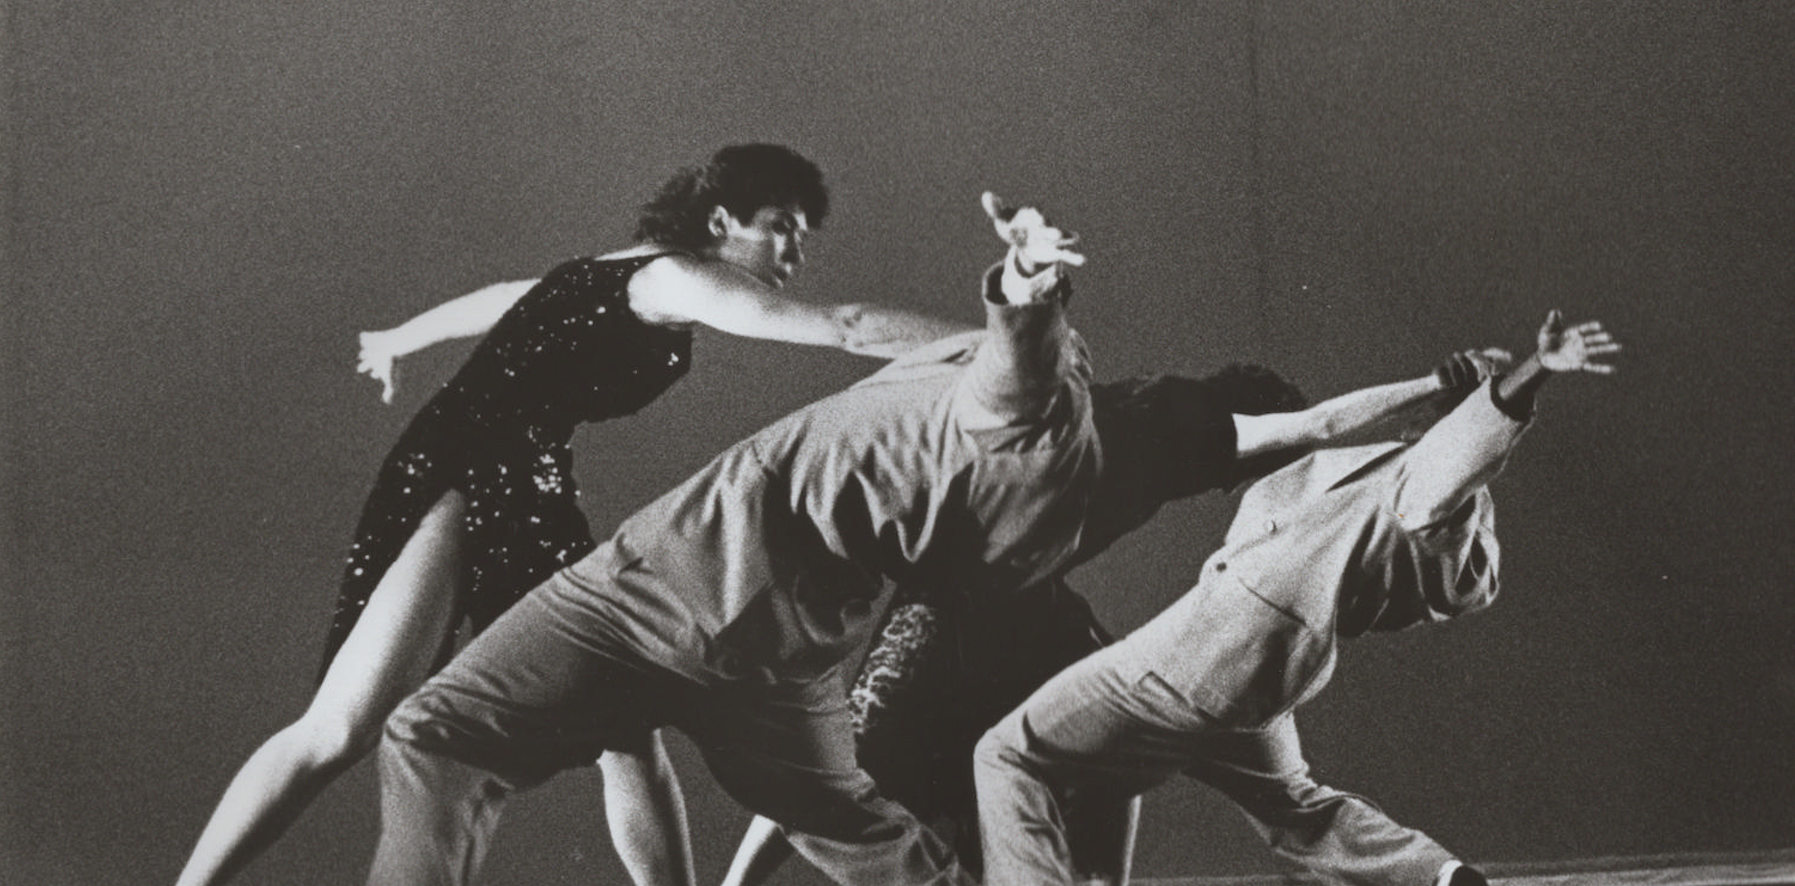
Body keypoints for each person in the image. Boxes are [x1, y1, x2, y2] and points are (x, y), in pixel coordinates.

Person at [173, 143, 973, 886]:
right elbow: (845, 325)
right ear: (722, 220)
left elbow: (504, 302)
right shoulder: (675, 277)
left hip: (517, 477)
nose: (792, 257)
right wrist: (996, 342)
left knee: (626, 735)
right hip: (474, 472)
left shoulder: (609, 270)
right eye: (781, 232)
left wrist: (398, 337)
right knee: (343, 728)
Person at [363, 193, 1094, 886]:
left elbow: (900, 340)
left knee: (434, 732)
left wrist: (1028, 293)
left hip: (659, 590)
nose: (791, 252)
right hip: (781, 657)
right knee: (849, 824)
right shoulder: (1051, 450)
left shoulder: (1019, 413)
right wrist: (1021, 308)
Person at [720, 351, 1512, 886]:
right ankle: (1430, 875)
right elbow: (1319, 430)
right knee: (982, 768)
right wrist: (1431, 387)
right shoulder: (1170, 432)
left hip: (1061, 627)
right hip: (973, 622)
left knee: (1042, 761)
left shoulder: (1163, 458)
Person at [973, 310, 1622, 886]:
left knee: (1008, 754)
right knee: (1296, 809)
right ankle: (1439, 877)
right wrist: (1441, 387)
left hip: (1227, 633)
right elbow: (1339, 427)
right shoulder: (1355, 485)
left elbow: (1457, 449)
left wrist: (1528, 371)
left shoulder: (1418, 492)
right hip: (1269, 678)